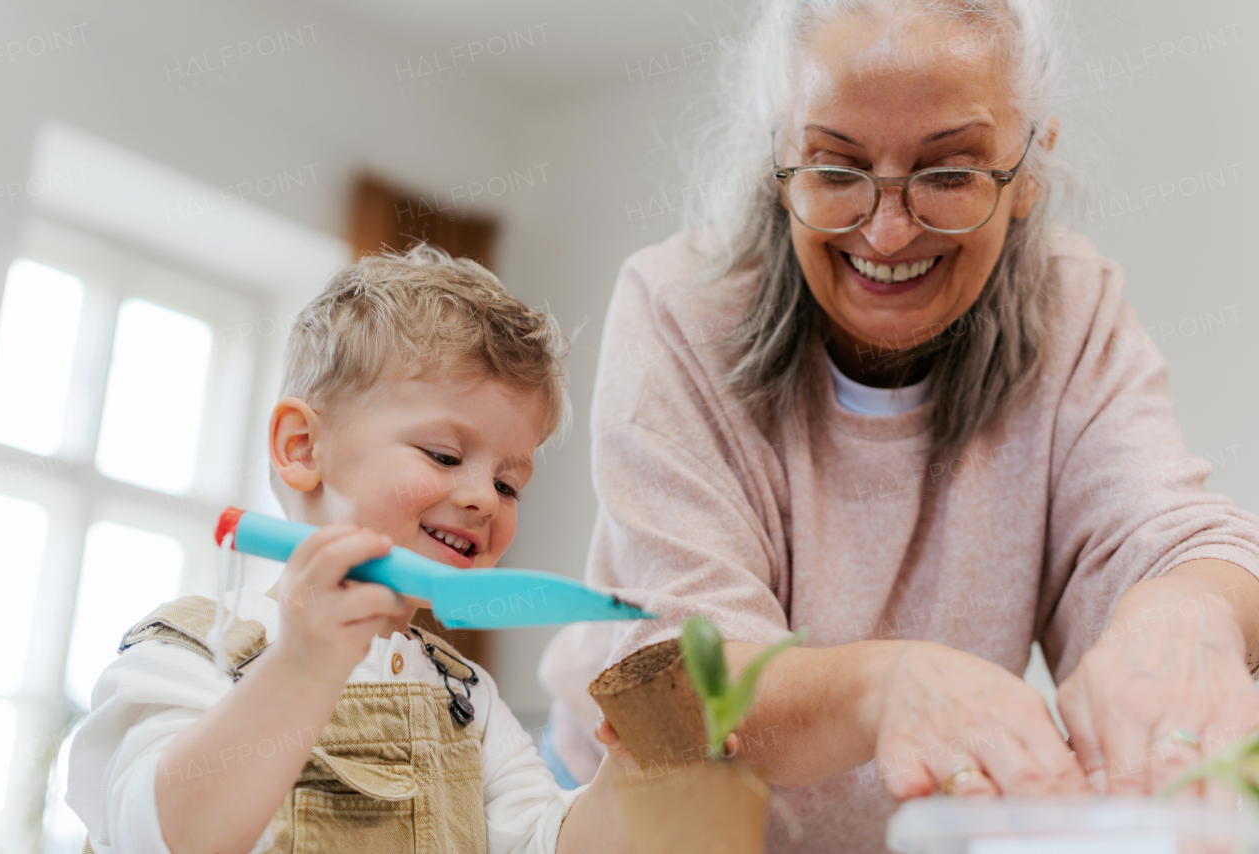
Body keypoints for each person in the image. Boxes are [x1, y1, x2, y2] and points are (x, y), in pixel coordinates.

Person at [537, 0, 1259, 851]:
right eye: (836, 170)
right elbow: (692, 687)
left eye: (949, 172)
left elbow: (1169, 531)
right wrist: (886, 685)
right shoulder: (678, 307)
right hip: (641, 814)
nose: (885, 232)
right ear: (779, 163)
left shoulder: (1076, 308)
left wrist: (1185, 617)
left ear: (1028, 171)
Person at [67, 245, 633, 854]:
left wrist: (635, 771)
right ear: (303, 447)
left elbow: (540, 846)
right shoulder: (190, 655)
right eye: (444, 455)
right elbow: (161, 837)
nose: (484, 500)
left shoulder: (467, 699)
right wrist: (303, 665)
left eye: (507, 483)